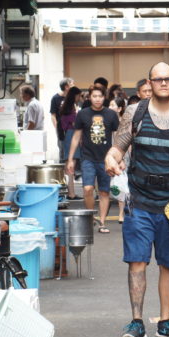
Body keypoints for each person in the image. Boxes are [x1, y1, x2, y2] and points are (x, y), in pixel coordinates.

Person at [106, 62, 169, 337]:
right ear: (149, 83)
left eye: (168, 79)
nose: (163, 83)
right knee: (137, 261)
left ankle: (165, 321)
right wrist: (110, 159)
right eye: (157, 79)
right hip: (139, 201)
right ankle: (137, 322)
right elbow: (118, 146)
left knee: (168, 264)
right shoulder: (135, 112)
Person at [66, 84, 120, 232]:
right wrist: (70, 159)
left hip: (106, 159)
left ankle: (102, 223)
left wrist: (119, 159)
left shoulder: (111, 115)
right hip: (87, 157)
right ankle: (90, 218)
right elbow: (76, 136)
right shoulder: (83, 114)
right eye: (94, 96)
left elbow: (117, 137)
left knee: (104, 192)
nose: (97, 99)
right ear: (89, 97)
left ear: (104, 98)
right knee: (88, 189)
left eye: (100, 96)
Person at [58, 86, 84, 199]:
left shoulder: (67, 107)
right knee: (71, 164)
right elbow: (75, 124)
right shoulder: (70, 109)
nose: (80, 98)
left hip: (68, 135)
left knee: (69, 164)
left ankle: (69, 191)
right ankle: (71, 193)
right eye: (79, 95)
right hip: (72, 135)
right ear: (74, 95)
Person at [50, 78, 73, 161]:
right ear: (66, 87)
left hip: (72, 127)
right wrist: (57, 127)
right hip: (61, 127)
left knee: (72, 148)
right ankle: (62, 168)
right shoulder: (55, 98)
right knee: (62, 147)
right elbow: (53, 115)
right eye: (72, 84)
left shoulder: (73, 97)